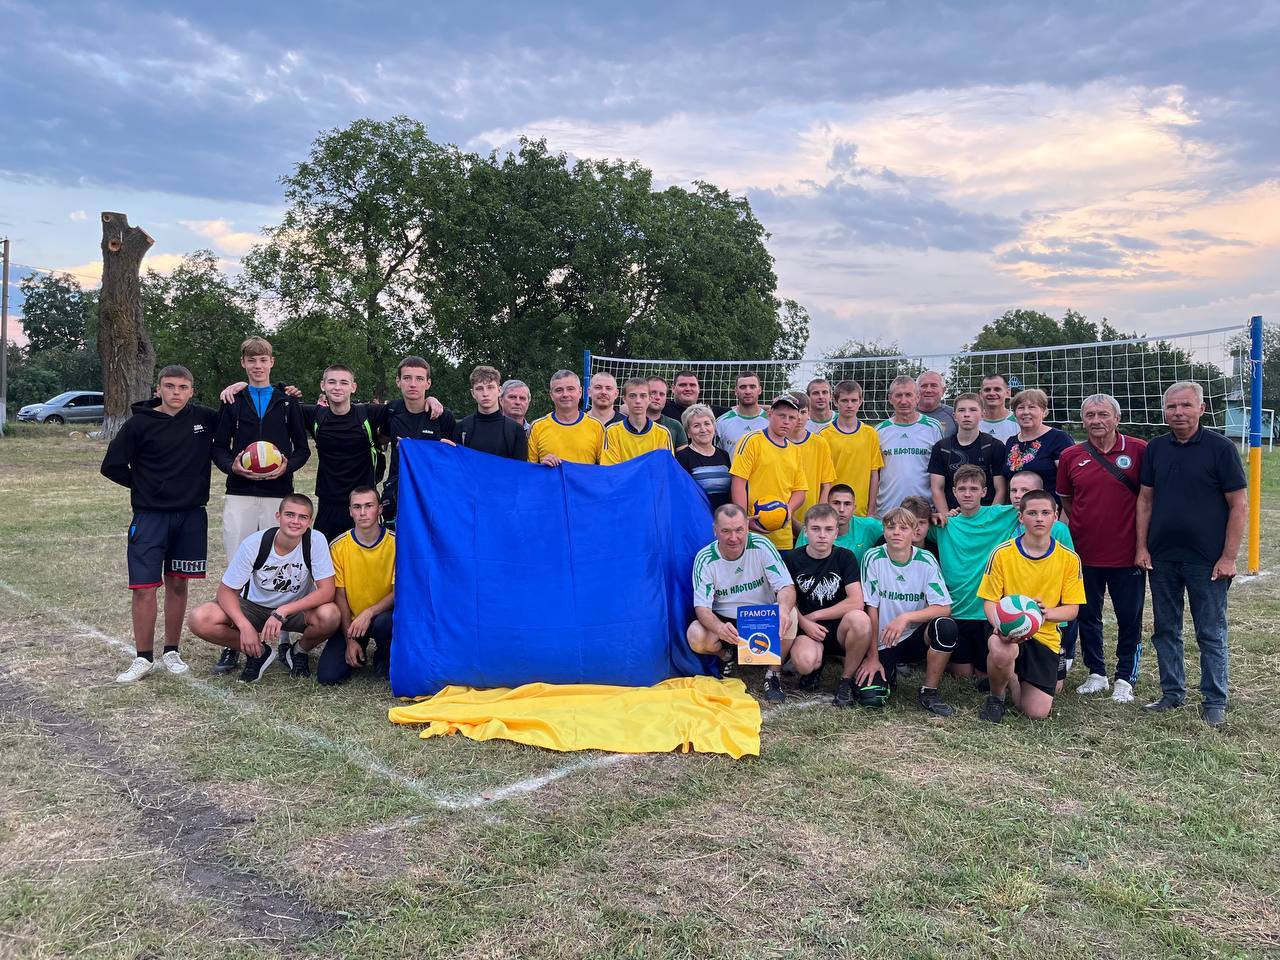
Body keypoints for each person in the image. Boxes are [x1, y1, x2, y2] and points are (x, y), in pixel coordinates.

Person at [1136, 381, 1247, 726]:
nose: (1178, 412)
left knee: (1210, 632)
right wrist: (1142, 546)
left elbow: (1239, 505)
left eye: (1185, 405)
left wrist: (1228, 557)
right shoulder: (1156, 448)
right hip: (1163, 557)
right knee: (1165, 630)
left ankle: (1214, 700)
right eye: (1172, 406)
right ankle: (1172, 693)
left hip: (1207, 560)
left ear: (1201, 408)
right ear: (1164, 411)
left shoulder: (1221, 448)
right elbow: (1145, 500)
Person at [101, 365, 216, 683]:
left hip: (191, 515)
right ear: (158, 389)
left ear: (191, 391)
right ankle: (143, 657)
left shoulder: (204, 419)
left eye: (182, 387)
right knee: (144, 588)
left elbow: (237, 419)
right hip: (150, 516)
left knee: (178, 583)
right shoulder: (138, 424)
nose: (176, 392)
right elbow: (111, 466)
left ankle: (171, 651)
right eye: (169, 386)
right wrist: (145, 486)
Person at [187, 494, 341, 683]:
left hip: (294, 610)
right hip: (254, 608)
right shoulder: (254, 543)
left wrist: (283, 610)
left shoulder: (315, 540)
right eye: (289, 515)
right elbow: (226, 591)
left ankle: (298, 651)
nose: (295, 521)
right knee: (199, 618)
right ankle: (258, 652)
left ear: (310, 521)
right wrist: (244, 626)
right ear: (278, 516)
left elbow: (327, 591)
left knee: (330, 615)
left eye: (302, 517)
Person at [1057, 393, 1147, 703]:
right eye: (1090, 415)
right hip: (1084, 554)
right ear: (1083, 420)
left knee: (1129, 618)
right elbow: (1067, 500)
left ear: (1117, 418)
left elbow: (1148, 499)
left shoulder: (1139, 450)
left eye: (1103, 414)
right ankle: (1096, 672)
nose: (1097, 420)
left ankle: (1125, 677)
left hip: (1127, 554)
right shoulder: (1071, 455)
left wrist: (1143, 545)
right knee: (1087, 615)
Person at [977, 489, 1085, 723]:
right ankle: (996, 698)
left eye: (1045, 513)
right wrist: (1001, 626)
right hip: (1006, 630)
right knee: (1002, 650)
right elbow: (989, 601)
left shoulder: (1069, 558)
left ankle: (1012, 677)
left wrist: (1046, 613)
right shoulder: (1002, 553)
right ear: (1021, 517)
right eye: (1032, 513)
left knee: (1036, 712)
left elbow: (1072, 609)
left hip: (1045, 636)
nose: (1039, 518)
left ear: (1055, 516)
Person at [211, 336, 310, 563]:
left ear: (271, 362)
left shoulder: (287, 401)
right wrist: (232, 467)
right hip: (239, 492)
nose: (258, 366)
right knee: (238, 558)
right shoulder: (232, 400)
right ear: (243, 363)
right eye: (252, 360)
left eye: (263, 360)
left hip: (278, 492)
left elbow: (303, 450)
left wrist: (287, 467)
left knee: (276, 559)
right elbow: (219, 448)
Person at [928, 465, 1021, 703]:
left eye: (973, 488)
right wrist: (931, 516)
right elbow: (912, 523)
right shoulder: (945, 524)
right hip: (956, 611)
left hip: (985, 613)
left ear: (984, 492)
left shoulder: (1001, 515)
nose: (967, 494)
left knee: (984, 673)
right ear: (953, 492)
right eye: (962, 489)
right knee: (962, 675)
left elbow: (1031, 505)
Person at [687, 504, 798, 703]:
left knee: (790, 613)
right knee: (695, 634)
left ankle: (773, 674)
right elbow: (702, 608)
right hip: (727, 622)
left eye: (739, 530)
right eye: (726, 531)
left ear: (747, 526)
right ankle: (726, 655)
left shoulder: (761, 545)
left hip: (761, 617)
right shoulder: (705, 558)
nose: (734, 537)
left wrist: (782, 608)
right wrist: (719, 628)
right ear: (715, 530)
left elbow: (786, 587)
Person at [852, 507, 953, 710]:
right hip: (883, 641)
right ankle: (888, 672)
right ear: (884, 531)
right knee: (871, 699)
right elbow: (871, 609)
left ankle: (929, 691)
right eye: (891, 527)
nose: (896, 532)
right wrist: (872, 657)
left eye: (903, 528)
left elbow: (944, 608)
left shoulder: (926, 559)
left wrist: (905, 617)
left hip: (913, 637)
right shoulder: (873, 557)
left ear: (914, 532)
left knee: (945, 626)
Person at [783, 505, 873, 697]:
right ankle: (816, 665)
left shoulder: (845, 557)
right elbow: (785, 600)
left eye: (828, 529)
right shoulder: (791, 558)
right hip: (807, 630)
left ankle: (846, 680)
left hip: (840, 628)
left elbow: (856, 602)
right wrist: (805, 623)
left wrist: (815, 615)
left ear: (836, 533)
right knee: (804, 663)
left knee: (861, 620)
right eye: (816, 529)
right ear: (805, 531)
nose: (822, 535)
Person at [316, 487, 395, 686]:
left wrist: (369, 612)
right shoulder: (338, 546)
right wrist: (349, 639)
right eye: (357, 507)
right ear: (350, 511)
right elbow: (340, 596)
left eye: (369, 506)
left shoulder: (397, 543)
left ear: (379, 509)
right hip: (352, 622)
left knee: (385, 623)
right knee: (328, 676)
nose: (363, 512)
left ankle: (384, 655)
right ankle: (357, 647)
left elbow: (398, 592)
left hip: (383, 617)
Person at [378, 356, 456, 524]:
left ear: (428, 383)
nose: (413, 384)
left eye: (419, 379)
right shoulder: (391, 410)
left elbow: (453, 459)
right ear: (398, 381)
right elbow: (381, 439)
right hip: (398, 492)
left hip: (432, 494)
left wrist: (421, 449)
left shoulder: (443, 416)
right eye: (407, 378)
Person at [730, 395, 808, 551]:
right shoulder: (751, 441)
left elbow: (800, 490)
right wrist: (744, 520)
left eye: (792, 418)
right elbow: (738, 483)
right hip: (753, 533)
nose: (786, 421)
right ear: (770, 414)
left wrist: (788, 510)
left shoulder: (795, 450)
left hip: (783, 535)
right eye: (782, 416)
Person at [875, 376, 944, 518]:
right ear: (890, 399)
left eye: (908, 395)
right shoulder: (879, 431)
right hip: (887, 511)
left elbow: (940, 472)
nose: (903, 401)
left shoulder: (933, 427)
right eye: (898, 395)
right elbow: (874, 474)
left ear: (917, 397)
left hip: (923, 512)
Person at [929, 392, 1007, 515]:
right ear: (954, 416)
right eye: (961, 410)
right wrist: (947, 518)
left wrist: (990, 517)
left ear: (983, 414)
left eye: (973, 410)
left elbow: (1001, 489)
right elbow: (937, 488)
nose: (966, 414)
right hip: (954, 517)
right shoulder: (941, 447)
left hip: (986, 517)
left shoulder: (995, 446)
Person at [818, 380, 882, 517]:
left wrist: (871, 509)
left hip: (861, 511)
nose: (849, 405)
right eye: (844, 400)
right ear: (835, 402)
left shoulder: (870, 433)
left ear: (860, 402)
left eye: (854, 400)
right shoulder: (824, 435)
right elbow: (821, 479)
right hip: (833, 510)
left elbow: (874, 474)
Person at [795, 484, 884, 570]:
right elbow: (799, 562)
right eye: (836, 503)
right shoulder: (813, 528)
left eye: (847, 504)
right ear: (828, 505)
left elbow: (891, 532)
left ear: (854, 508)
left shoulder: (869, 526)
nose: (841, 509)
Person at [1003, 388, 1073, 496]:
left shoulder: (1059, 439)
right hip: (1016, 505)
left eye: (1032, 407)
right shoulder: (1011, 442)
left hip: (1051, 505)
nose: (1026, 412)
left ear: (1044, 412)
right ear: (1015, 413)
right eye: (1021, 408)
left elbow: (1070, 480)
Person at [527, 370, 606, 466]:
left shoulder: (597, 426)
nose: (565, 394)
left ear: (580, 392)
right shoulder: (537, 427)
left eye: (570, 389)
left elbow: (605, 469)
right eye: (559, 390)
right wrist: (542, 466)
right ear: (551, 395)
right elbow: (529, 470)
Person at [785, 391, 836, 530]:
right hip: (782, 518)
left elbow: (826, 484)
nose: (799, 417)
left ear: (809, 414)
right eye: (794, 412)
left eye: (803, 412)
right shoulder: (777, 443)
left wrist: (819, 515)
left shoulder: (820, 443)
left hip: (812, 521)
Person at [458, 365, 528, 460]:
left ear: (499, 391)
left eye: (490, 387)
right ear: (473, 393)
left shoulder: (516, 430)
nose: (485, 394)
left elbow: (520, 467)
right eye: (479, 388)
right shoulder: (462, 428)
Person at [603, 378, 675, 464]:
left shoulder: (663, 433)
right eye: (632, 396)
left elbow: (666, 467)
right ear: (624, 399)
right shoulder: (612, 431)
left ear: (649, 399)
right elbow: (611, 469)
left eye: (643, 396)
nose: (638, 401)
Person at [675, 403, 732, 510]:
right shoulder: (682, 457)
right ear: (688, 432)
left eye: (707, 424)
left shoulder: (724, 455)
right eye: (696, 426)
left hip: (724, 516)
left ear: (714, 427)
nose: (703, 429)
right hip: (697, 517)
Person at [715, 371, 769, 454]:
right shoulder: (721, 423)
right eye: (743, 387)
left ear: (759, 390)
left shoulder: (771, 422)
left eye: (752, 387)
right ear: (736, 391)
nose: (747, 391)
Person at [664, 369, 728, 421]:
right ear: (673, 388)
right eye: (682, 385)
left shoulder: (709, 412)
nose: (688, 389)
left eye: (692, 385)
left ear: (699, 389)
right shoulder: (663, 408)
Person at [646, 376, 689, 446]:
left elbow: (684, 452)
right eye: (653, 392)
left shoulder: (675, 426)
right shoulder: (629, 422)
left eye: (662, 394)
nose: (657, 397)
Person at [979, 373, 1019, 443]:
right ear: (980, 394)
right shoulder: (972, 421)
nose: (992, 393)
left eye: (997, 389)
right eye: (987, 390)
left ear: (1007, 392)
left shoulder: (1019, 422)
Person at [916, 370, 957, 438]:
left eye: (933, 386)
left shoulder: (954, 415)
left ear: (943, 391)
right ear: (916, 390)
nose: (928, 390)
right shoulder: (903, 414)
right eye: (924, 386)